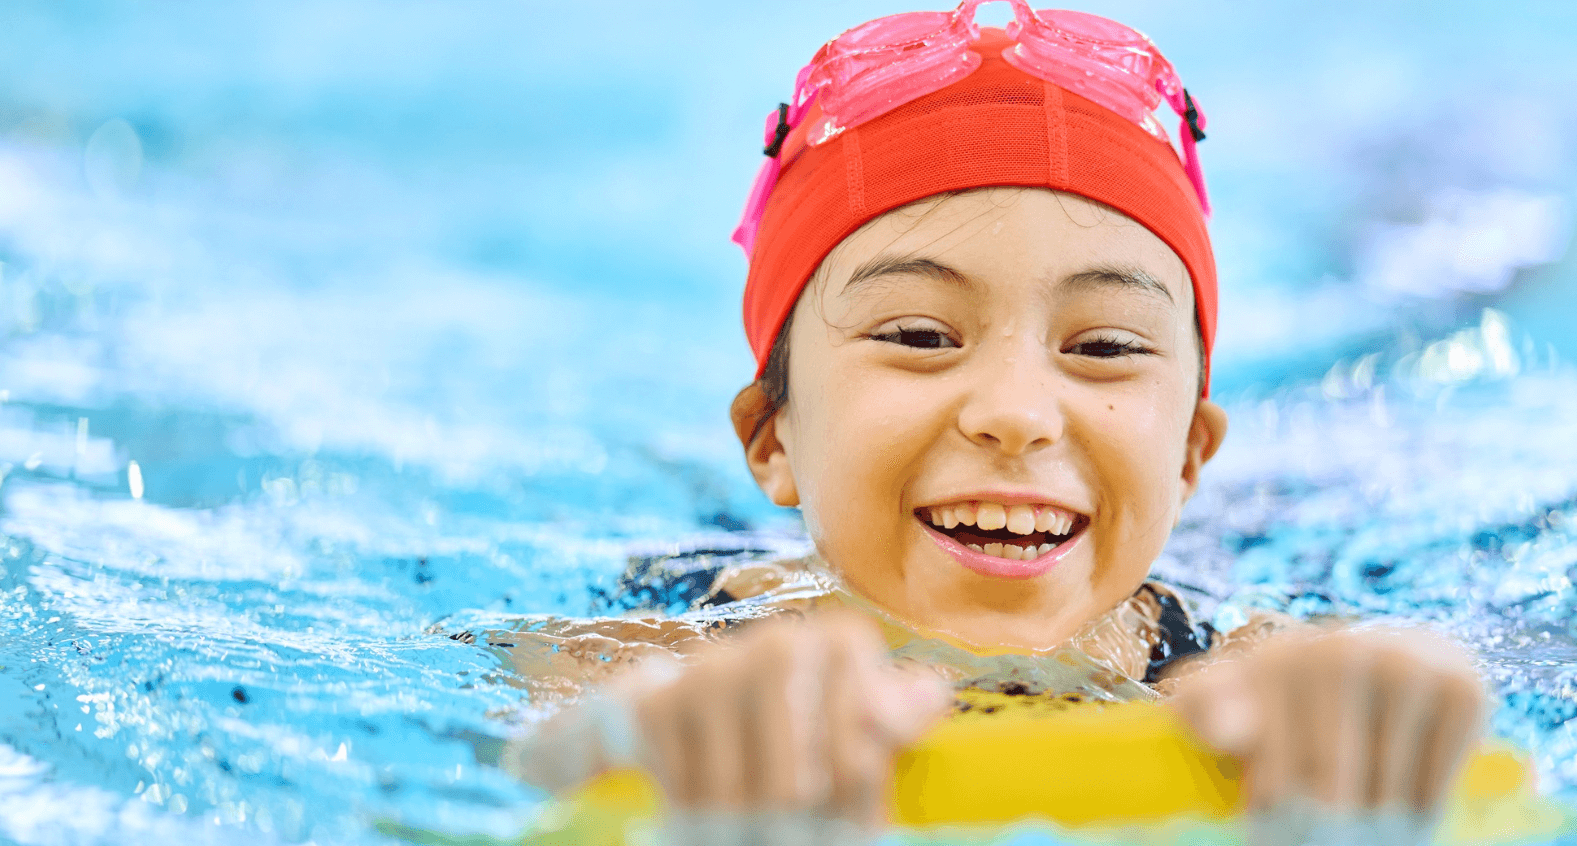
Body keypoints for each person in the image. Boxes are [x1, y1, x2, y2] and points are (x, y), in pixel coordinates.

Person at [503, 1, 1487, 839]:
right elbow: (536, 748)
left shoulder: (1249, 674)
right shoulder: (659, 658)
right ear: (772, 438)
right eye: (921, 335)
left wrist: (1395, 700)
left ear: (1189, 456)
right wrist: (637, 753)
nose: (1016, 415)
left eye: (1103, 347)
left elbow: (1413, 692)